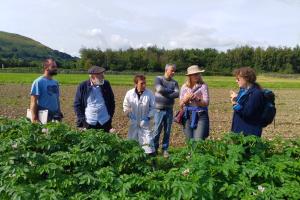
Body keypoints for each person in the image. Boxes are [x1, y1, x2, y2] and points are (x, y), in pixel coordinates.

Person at [74, 66, 115, 132]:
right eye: (101, 76)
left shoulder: (106, 84)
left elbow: (112, 101)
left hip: (104, 122)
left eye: (103, 75)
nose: (103, 77)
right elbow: (77, 105)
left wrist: (110, 116)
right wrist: (84, 122)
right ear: (92, 77)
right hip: (89, 122)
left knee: (104, 141)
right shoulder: (83, 86)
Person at [123, 75, 156, 154]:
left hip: (146, 123)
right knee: (132, 142)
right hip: (133, 122)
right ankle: (134, 160)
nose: (144, 85)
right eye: (142, 83)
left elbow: (153, 107)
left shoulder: (149, 93)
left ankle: (150, 159)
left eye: (145, 83)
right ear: (136, 84)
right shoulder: (129, 93)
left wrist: (147, 117)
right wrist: (129, 114)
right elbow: (125, 106)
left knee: (147, 141)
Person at [153, 64, 179, 158]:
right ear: (166, 70)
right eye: (172, 70)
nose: (173, 72)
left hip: (169, 109)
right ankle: (154, 148)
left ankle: (165, 149)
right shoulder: (158, 79)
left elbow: (177, 94)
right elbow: (159, 89)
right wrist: (170, 92)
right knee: (156, 130)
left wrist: (165, 93)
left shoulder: (175, 82)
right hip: (158, 110)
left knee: (167, 131)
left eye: (174, 71)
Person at [230, 67, 264, 137]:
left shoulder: (256, 93)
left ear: (246, 79)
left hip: (249, 133)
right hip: (240, 131)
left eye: (238, 79)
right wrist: (236, 98)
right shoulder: (243, 90)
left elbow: (247, 113)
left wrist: (234, 104)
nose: (236, 81)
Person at [179, 65, 210, 140]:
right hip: (187, 116)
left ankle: (197, 152)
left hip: (200, 115)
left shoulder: (203, 86)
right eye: (194, 74)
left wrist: (197, 99)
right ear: (189, 76)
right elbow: (180, 104)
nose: (197, 76)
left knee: (198, 141)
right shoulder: (184, 87)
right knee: (190, 140)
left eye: (198, 74)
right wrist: (186, 99)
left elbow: (206, 103)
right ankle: (191, 152)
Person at [30, 58, 63, 123]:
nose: (56, 68)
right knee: (45, 132)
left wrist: (59, 111)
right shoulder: (38, 82)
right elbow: (33, 101)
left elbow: (57, 99)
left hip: (55, 113)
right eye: (53, 67)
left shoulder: (55, 82)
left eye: (56, 67)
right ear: (46, 67)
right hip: (44, 114)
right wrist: (34, 117)